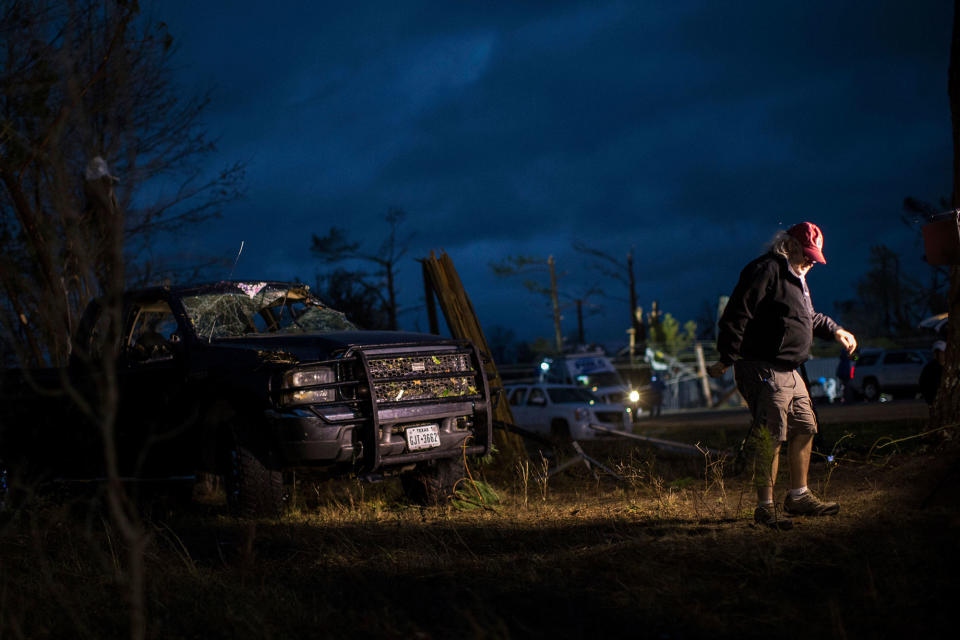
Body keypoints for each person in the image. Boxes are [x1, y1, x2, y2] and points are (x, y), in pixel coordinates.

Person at [707, 222, 857, 529]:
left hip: (789, 369)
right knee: (771, 434)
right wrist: (727, 357)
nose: (813, 261)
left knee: (805, 426)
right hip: (762, 366)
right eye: (808, 254)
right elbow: (738, 313)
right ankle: (765, 506)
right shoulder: (766, 270)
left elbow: (807, 317)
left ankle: (798, 496)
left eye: (816, 256)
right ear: (788, 245)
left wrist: (836, 329)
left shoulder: (797, 278)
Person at [919, 340, 946, 407]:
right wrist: (929, 400)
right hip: (934, 401)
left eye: (941, 352)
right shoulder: (929, 368)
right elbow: (923, 383)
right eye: (936, 352)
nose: (939, 355)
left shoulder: (952, 367)